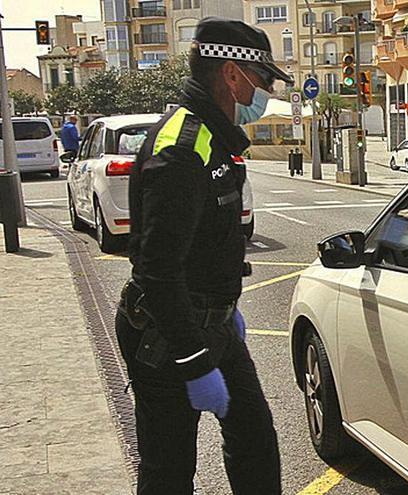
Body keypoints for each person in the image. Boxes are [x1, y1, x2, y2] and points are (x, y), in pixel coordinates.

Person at [115, 17, 292, 495]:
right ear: (233, 74)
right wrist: (193, 360)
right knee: (169, 472)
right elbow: (157, 270)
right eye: (264, 79)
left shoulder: (216, 139)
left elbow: (210, 242)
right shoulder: (183, 148)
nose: (267, 91)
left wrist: (226, 312)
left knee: (255, 443)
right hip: (169, 334)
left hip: (213, 322)